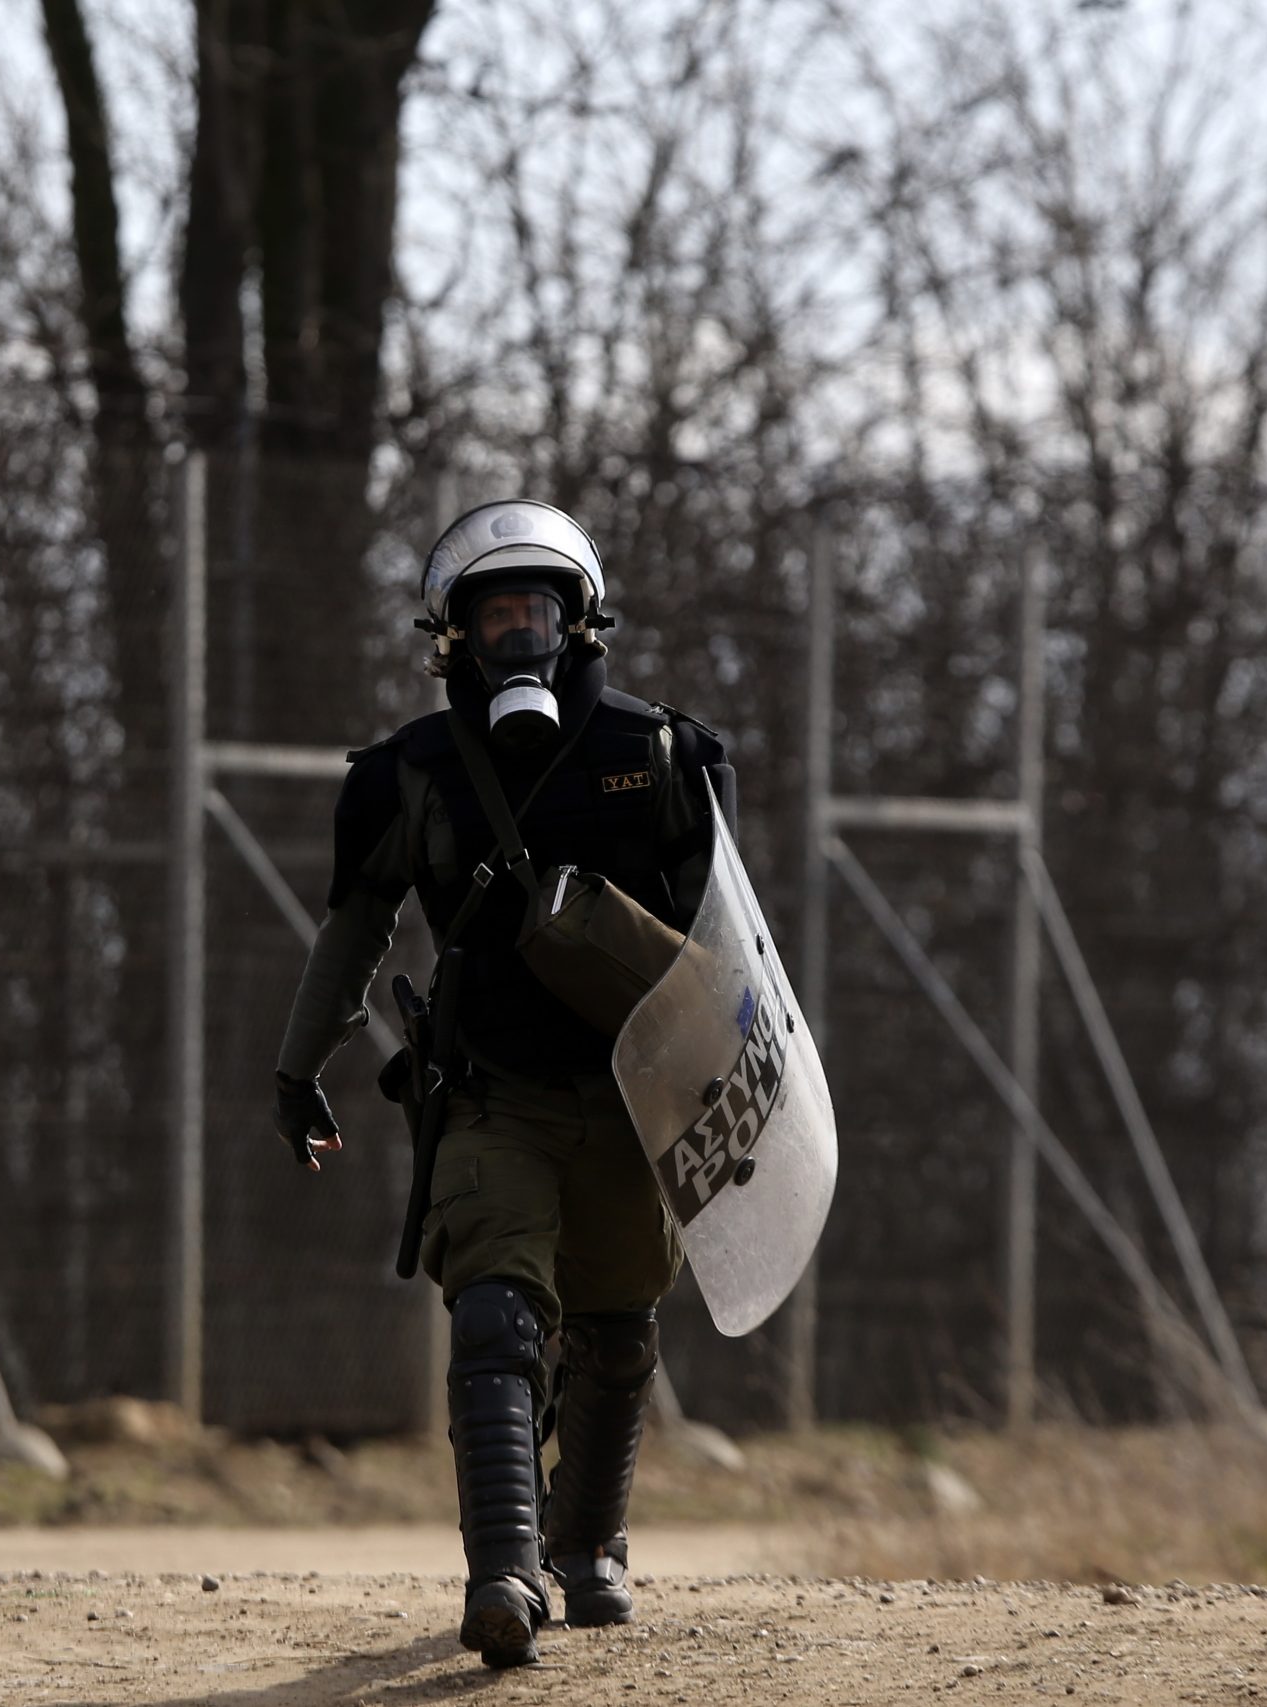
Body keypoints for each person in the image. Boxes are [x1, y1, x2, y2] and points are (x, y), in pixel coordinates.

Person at [270, 500, 735, 1668]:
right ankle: (503, 1574)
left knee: (619, 1330)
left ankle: (588, 1551)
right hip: (491, 1095)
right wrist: (296, 1067)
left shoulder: (664, 757)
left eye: (538, 612)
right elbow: (353, 932)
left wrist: (737, 1087)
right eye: (495, 617)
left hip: (633, 1103)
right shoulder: (407, 778)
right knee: (495, 1314)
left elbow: (733, 952)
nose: (518, 637)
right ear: (454, 640)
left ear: (578, 625)